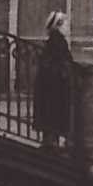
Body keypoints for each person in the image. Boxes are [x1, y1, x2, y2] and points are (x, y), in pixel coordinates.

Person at [34, 10, 73, 149]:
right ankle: (53, 141)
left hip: (49, 83)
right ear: (59, 25)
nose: (68, 27)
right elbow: (63, 61)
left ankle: (50, 140)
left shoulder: (53, 40)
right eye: (66, 24)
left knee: (49, 112)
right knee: (56, 111)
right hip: (56, 84)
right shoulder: (59, 41)